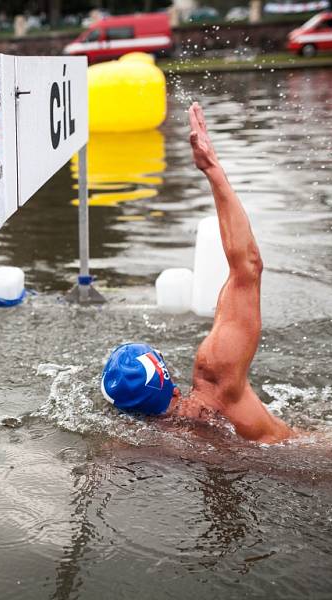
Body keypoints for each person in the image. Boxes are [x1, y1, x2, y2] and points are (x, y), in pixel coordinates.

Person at [100, 102, 293, 444]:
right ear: (168, 381)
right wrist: (212, 170)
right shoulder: (216, 382)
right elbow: (247, 268)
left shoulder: (138, 445)